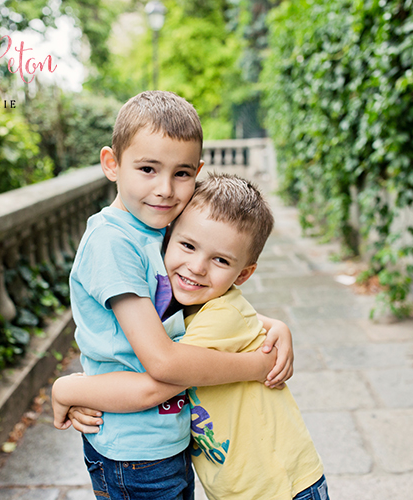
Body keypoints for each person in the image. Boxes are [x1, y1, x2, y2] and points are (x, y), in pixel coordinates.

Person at [59, 91, 295, 500]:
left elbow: (193, 307)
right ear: (111, 164)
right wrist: (255, 366)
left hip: (165, 438)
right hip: (134, 452)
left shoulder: (161, 230)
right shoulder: (112, 244)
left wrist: (271, 326)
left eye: (182, 174)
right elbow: (163, 362)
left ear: (198, 171)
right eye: (148, 169)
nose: (165, 189)